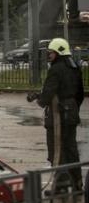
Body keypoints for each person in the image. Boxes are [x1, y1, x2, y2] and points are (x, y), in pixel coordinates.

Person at [27, 38, 84, 194]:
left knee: (56, 150)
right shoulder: (75, 67)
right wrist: (73, 108)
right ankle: (77, 184)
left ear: (58, 52)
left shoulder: (56, 69)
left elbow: (47, 96)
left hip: (58, 116)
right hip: (71, 113)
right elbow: (80, 93)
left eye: (51, 53)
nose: (49, 56)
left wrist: (40, 99)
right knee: (71, 149)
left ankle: (61, 185)